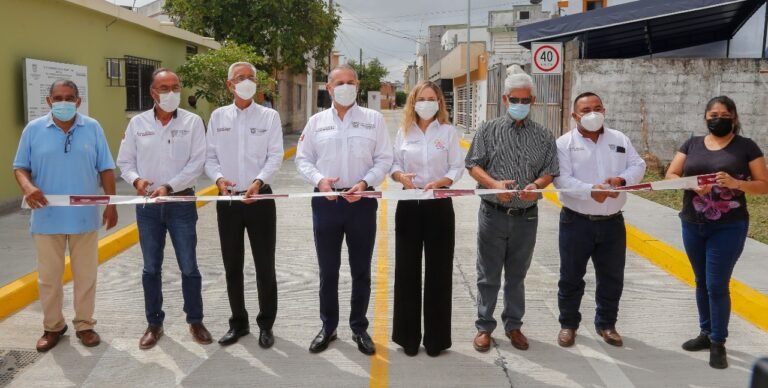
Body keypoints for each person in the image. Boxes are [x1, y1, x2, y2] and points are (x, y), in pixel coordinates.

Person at [295, 64, 393, 355]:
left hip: (361, 202)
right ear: (329, 88)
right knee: (328, 270)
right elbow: (303, 159)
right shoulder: (316, 122)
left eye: (351, 82)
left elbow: (384, 159)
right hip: (326, 203)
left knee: (361, 270)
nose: (346, 87)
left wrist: (365, 183)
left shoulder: (373, 120)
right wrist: (319, 180)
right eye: (340, 83)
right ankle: (328, 326)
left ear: (358, 86)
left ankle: (359, 327)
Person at [13, 80, 117, 352]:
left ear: (78, 101)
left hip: (85, 218)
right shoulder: (34, 130)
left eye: (69, 97)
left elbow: (106, 168)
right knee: (49, 279)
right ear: (48, 101)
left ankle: (85, 325)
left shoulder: (92, 128)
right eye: (58, 97)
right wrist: (28, 187)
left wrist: (111, 204)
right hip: (47, 217)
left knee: (86, 276)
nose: (63, 102)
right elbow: (20, 167)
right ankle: (53, 326)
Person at [666, 95, 768, 369]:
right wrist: (691, 184)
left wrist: (737, 183)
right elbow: (671, 175)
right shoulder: (692, 144)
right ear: (705, 118)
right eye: (713, 116)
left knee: (717, 285)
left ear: (734, 118)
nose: (718, 120)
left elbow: (764, 184)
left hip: (728, 226)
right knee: (701, 281)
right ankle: (705, 332)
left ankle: (718, 342)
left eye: (724, 115)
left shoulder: (746, 147)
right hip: (692, 223)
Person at [464, 64, 559, 352]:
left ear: (533, 101)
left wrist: (537, 185)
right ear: (505, 100)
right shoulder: (488, 130)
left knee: (517, 276)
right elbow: (473, 164)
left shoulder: (544, 135)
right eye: (514, 99)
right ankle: (484, 327)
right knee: (488, 274)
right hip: (493, 215)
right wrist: (494, 185)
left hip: (526, 217)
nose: (519, 104)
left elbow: (550, 170)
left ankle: (514, 325)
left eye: (525, 100)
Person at [116, 68, 211, 350]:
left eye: (175, 87)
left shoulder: (192, 122)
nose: (171, 92)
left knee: (189, 266)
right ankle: (154, 324)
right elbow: (125, 162)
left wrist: (169, 186)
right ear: (153, 92)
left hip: (181, 203)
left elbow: (197, 163)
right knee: (150, 268)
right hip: (148, 206)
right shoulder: (137, 123)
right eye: (164, 88)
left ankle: (195, 320)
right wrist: (137, 180)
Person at [552, 92, 646, 348]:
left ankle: (607, 324)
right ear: (575, 115)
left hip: (612, 222)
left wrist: (622, 180)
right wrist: (590, 190)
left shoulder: (619, 139)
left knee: (612, 277)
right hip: (576, 222)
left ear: (604, 110)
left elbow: (638, 165)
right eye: (585, 110)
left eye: (597, 108)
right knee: (571, 277)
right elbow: (561, 179)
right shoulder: (564, 143)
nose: (592, 114)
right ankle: (568, 324)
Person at [205, 62, 283, 348]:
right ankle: (238, 322)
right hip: (228, 200)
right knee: (232, 264)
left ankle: (266, 324)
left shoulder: (269, 116)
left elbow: (275, 156)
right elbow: (209, 157)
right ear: (230, 85)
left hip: (260, 198)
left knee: (265, 265)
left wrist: (258, 182)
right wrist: (218, 178)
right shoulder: (218, 117)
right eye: (240, 78)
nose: (247, 82)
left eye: (251, 77)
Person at [390, 81, 464, 357]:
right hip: (409, 203)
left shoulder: (448, 132)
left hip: (439, 204)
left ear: (439, 103)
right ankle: (407, 337)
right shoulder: (404, 131)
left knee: (439, 272)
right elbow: (393, 164)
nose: (427, 103)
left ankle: (436, 340)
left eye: (432, 98)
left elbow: (457, 166)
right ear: (413, 102)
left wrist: (442, 182)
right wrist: (400, 176)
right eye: (422, 98)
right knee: (407, 270)